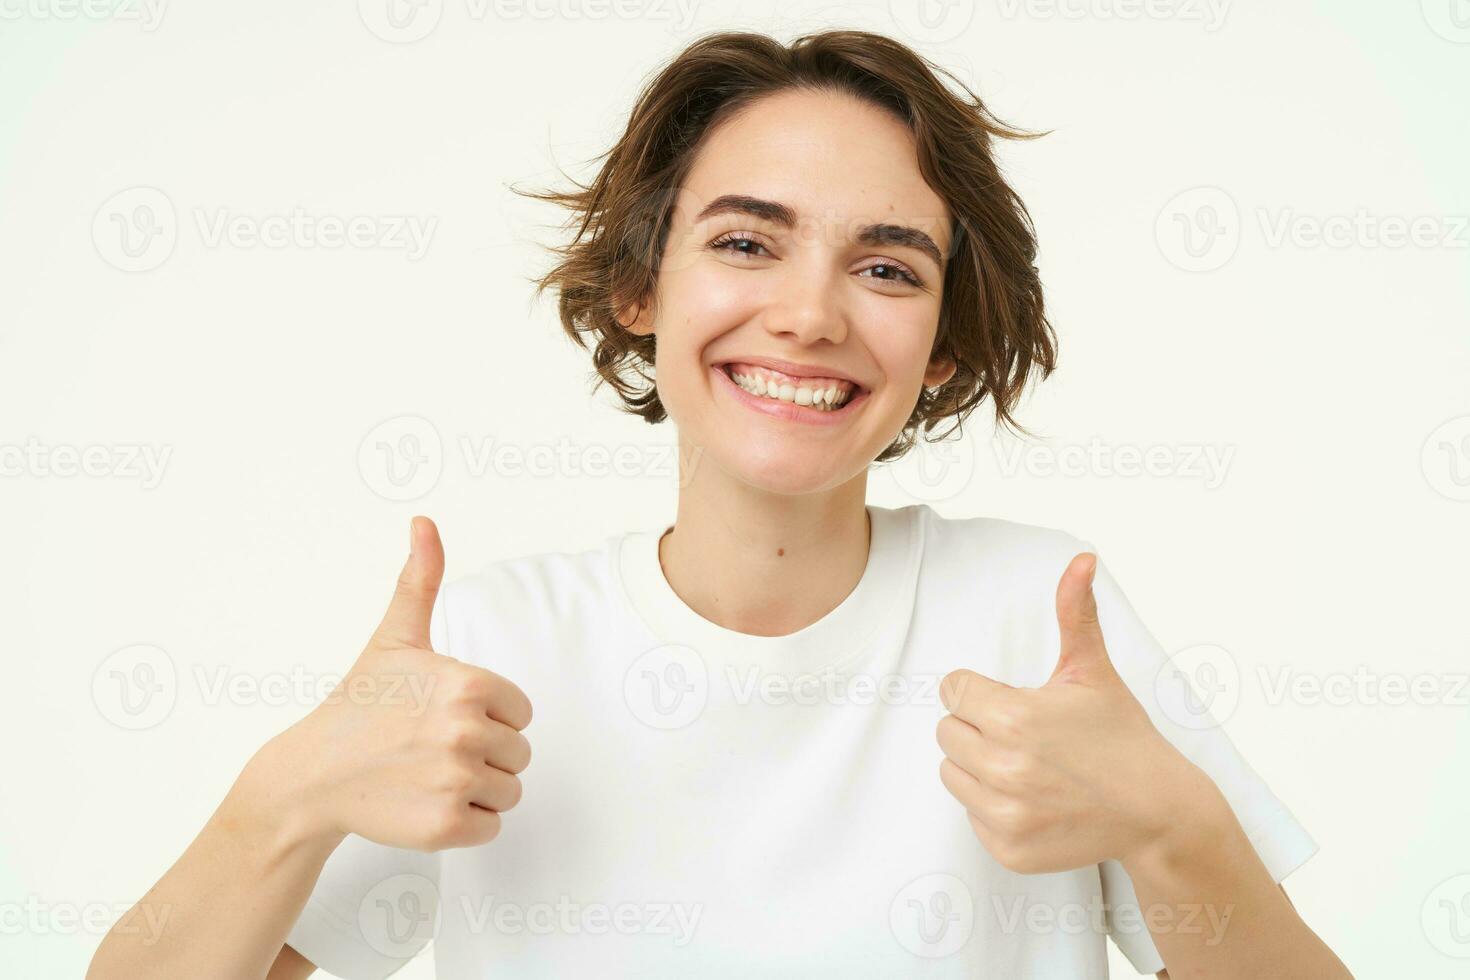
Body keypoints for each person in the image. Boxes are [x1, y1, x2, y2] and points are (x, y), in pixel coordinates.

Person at [87, 29, 1352, 979]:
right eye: (747, 241)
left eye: (886, 264)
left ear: (946, 347)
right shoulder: (494, 650)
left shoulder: (1040, 616)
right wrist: (287, 793)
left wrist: (1182, 828)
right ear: (641, 284)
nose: (810, 312)